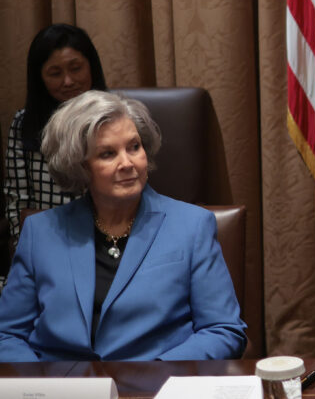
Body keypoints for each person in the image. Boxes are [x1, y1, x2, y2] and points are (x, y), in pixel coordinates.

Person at [0, 91, 246, 361]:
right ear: (80, 166)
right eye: (108, 154)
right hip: (60, 379)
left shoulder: (192, 226)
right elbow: (7, 335)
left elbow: (223, 330)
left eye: (134, 147)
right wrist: (41, 382)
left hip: (154, 380)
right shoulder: (41, 232)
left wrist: (158, 373)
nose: (127, 163)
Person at [3, 24, 108, 288]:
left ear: (91, 66)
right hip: (47, 243)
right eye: (55, 73)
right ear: (40, 77)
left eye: (76, 68)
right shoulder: (24, 124)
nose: (68, 81)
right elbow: (17, 199)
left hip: (106, 240)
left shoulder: (114, 118)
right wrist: (25, 249)